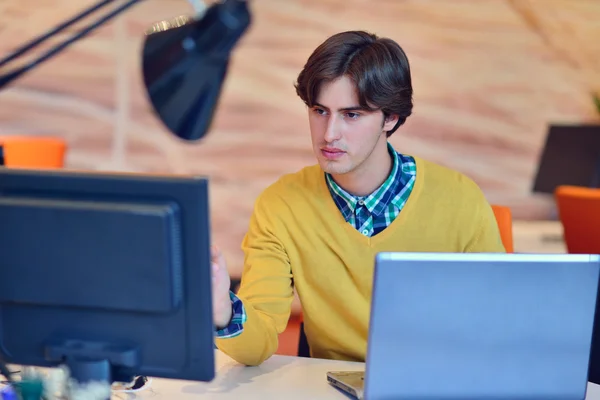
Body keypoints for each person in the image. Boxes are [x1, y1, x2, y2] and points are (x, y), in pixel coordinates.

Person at [211, 30, 505, 366]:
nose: (329, 133)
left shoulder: (460, 199)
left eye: (352, 115)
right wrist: (223, 312)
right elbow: (257, 342)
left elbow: (496, 327)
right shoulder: (280, 204)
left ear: (390, 118)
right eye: (320, 111)